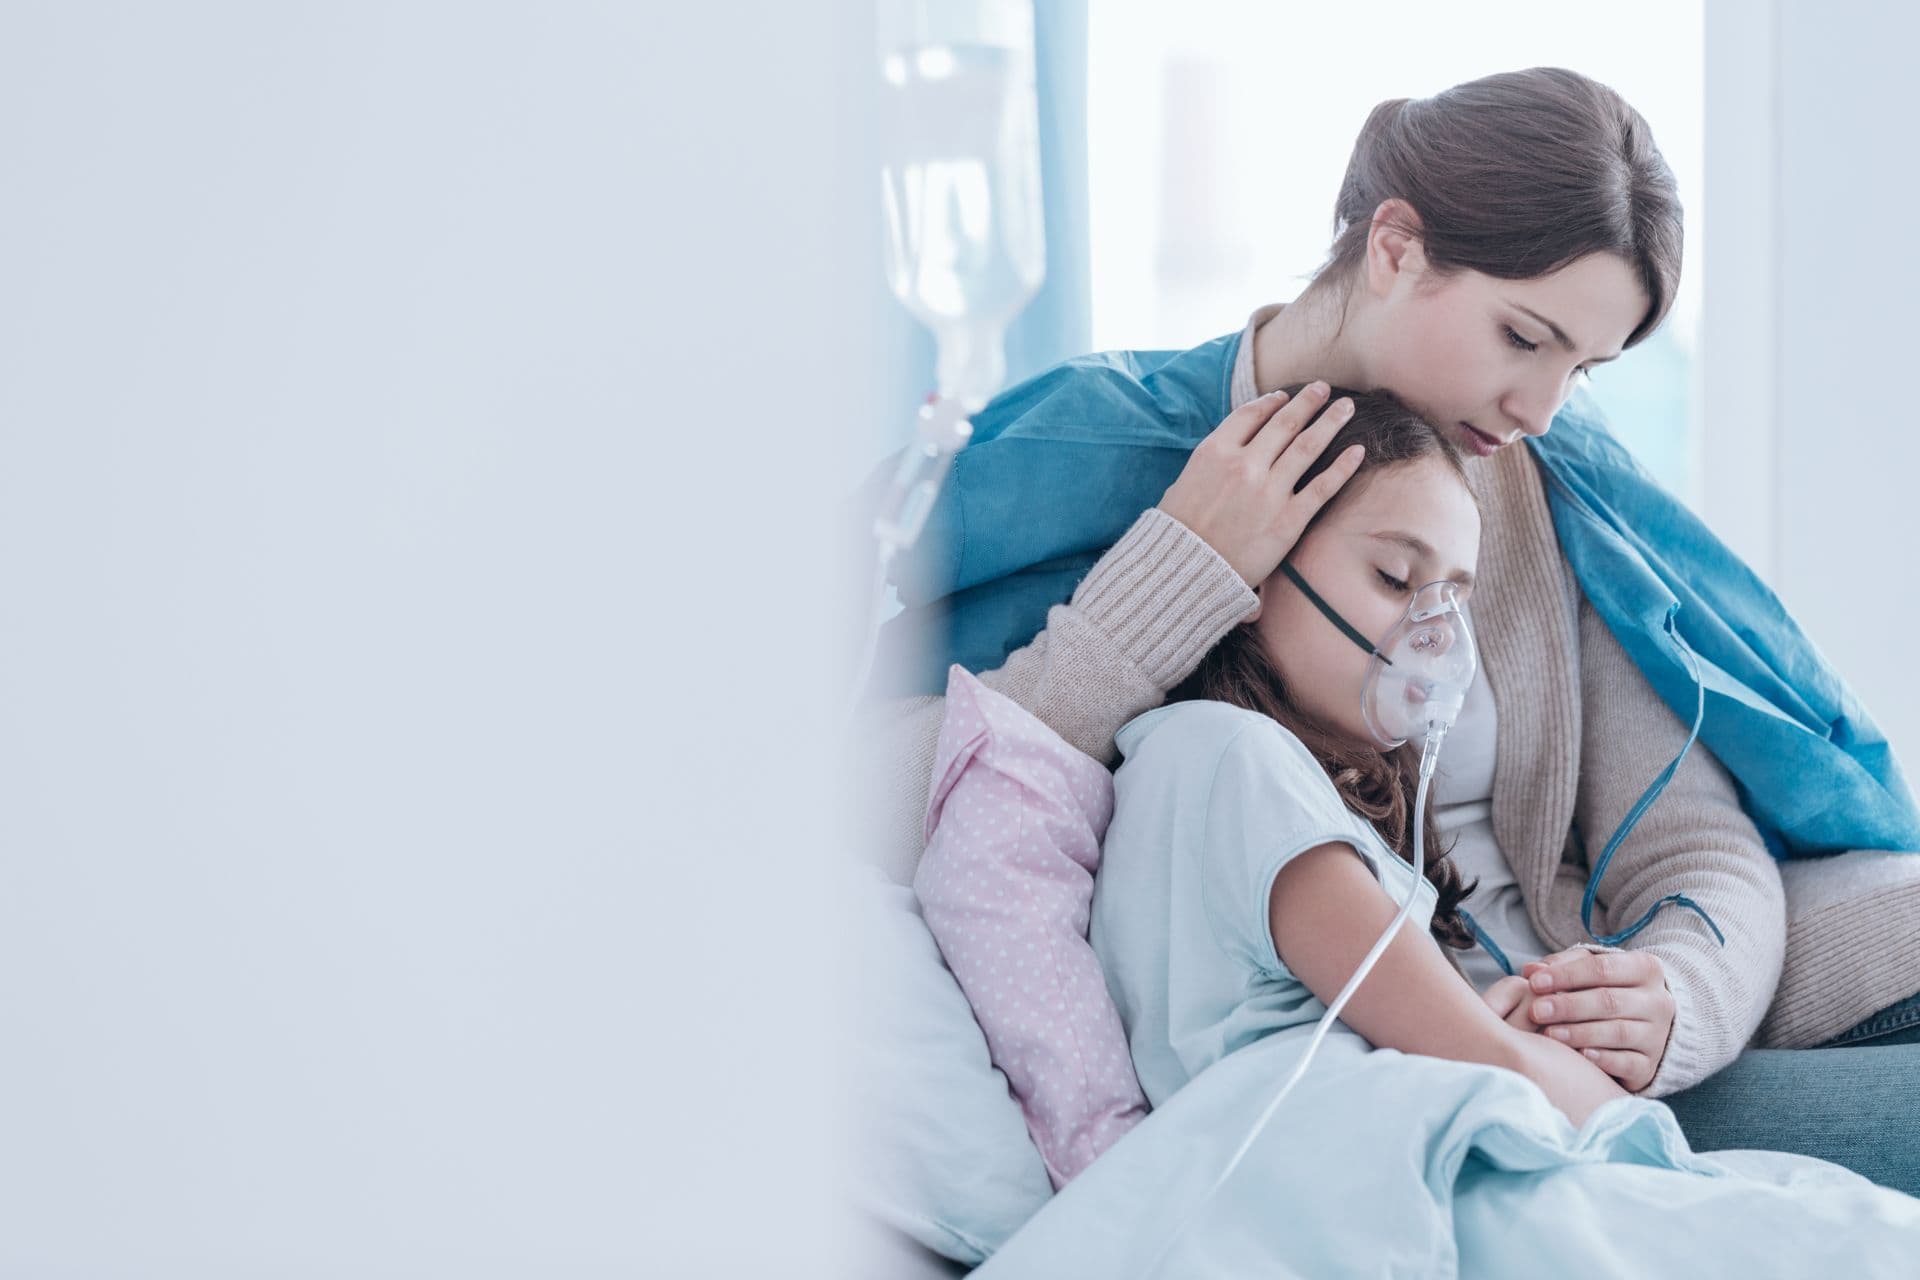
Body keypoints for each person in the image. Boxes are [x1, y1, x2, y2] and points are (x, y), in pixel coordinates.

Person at [858, 65, 1920, 1192]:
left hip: (1576, 1029)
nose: (1542, 411)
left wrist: (1677, 997)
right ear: (1397, 245)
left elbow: (1696, 839)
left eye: (1582, 368)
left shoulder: (1533, 482)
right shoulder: (1106, 455)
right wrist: (1175, 575)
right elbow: (863, 808)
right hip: (1415, 1074)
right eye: (1524, 336)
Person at [976, 392, 1920, 1278]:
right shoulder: (1231, 762)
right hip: (1406, 1183)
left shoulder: (1240, 775)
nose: (1434, 630)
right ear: (1258, 567)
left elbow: (1453, 1030)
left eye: (1455, 597)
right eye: (1395, 576)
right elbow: (1482, 1058)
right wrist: (1664, 1152)